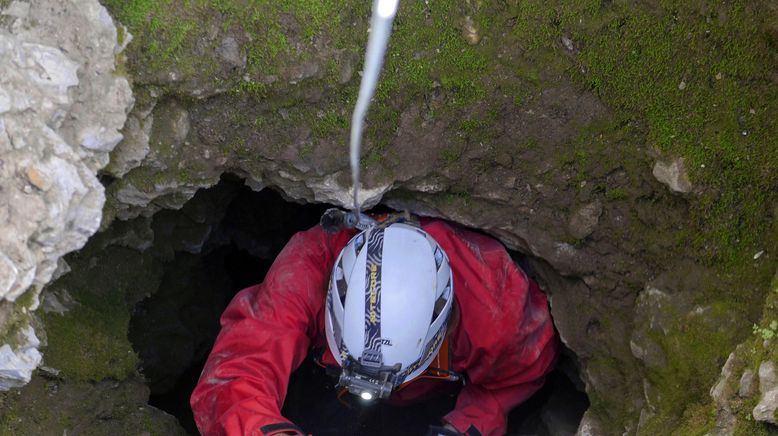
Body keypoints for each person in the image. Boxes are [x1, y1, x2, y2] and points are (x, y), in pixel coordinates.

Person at [190, 214, 559, 436]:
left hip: (431, 397)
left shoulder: (498, 313)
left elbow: (512, 382)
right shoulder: (309, 267)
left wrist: (462, 428)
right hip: (328, 383)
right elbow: (239, 370)